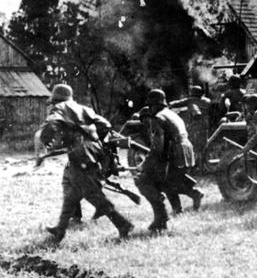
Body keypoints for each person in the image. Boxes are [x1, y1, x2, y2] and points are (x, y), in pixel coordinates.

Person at [39, 84, 133, 242]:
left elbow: (50, 126)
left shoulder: (60, 108)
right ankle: (60, 229)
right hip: (93, 152)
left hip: (80, 155)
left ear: (56, 98)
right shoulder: (83, 108)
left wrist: (48, 142)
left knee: (92, 194)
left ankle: (123, 224)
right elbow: (105, 125)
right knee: (71, 192)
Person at [135, 89, 204, 233]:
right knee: (169, 181)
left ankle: (164, 216)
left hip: (175, 151)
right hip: (185, 149)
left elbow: (157, 147)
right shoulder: (172, 113)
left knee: (148, 181)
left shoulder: (158, 118)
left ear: (153, 104)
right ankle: (180, 206)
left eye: (151, 105)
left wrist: (145, 164)